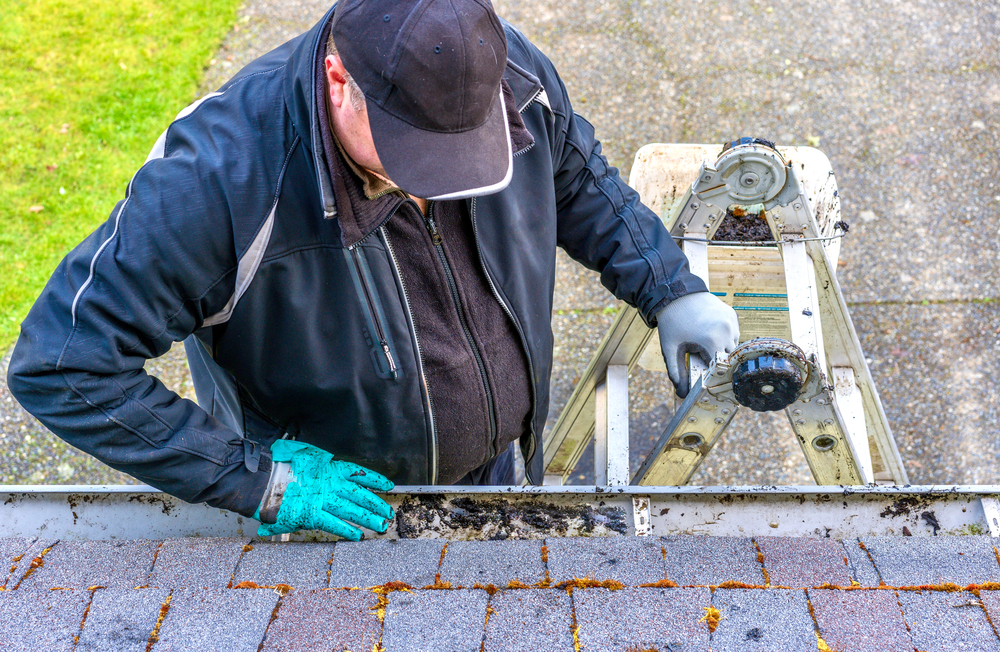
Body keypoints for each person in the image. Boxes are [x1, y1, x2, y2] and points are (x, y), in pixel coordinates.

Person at [7, 0, 739, 540]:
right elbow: (63, 365)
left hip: (490, 476)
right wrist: (256, 479)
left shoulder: (497, 71)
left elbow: (573, 177)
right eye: (413, 156)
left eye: (462, 161)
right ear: (337, 79)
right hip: (331, 508)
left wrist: (667, 284)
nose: (434, 188)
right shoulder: (216, 184)